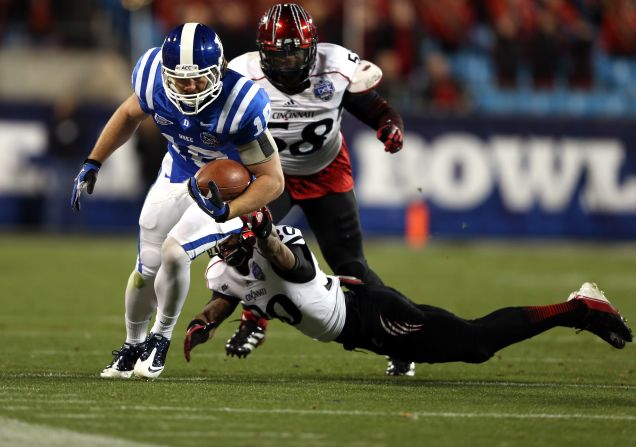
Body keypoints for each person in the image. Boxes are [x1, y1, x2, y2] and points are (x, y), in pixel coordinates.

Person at [70, 22, 284, 379]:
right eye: (181, 79)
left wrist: (229, 210)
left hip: (225, 191)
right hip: (176, 175)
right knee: (145, 270)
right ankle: (132, 344)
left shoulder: (241, 103)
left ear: (219, 69)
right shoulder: (152, 76)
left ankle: (160, 337)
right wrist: (94, 161)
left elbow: (273, 180)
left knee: (175, 252)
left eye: (199, 78)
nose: (189, 87)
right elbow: (127, 114)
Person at [184, 208, 633, 371]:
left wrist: (265, 237)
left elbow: (294, 267)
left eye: (222, 236)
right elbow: (228, 294)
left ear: (245, 229)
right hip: (358, 323)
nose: (217, 246)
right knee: (460, 338)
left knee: (474, 344)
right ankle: (578, 308)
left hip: (370, 315)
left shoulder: (276, 243)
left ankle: (577, 308)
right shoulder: (223, 268)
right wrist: (204, 322)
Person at [225, 3, 413, 376]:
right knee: (242, 247)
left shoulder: (337, 67)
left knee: (352, 268)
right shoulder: (240, 76)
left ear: (313, 49)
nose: (290, 62)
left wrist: (390, 127)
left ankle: (401, 336)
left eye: (297, 52)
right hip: (268, 176)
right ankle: (255, 317)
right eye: (281, 54)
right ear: (263, 53)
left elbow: (378, 109)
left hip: (325, 173)